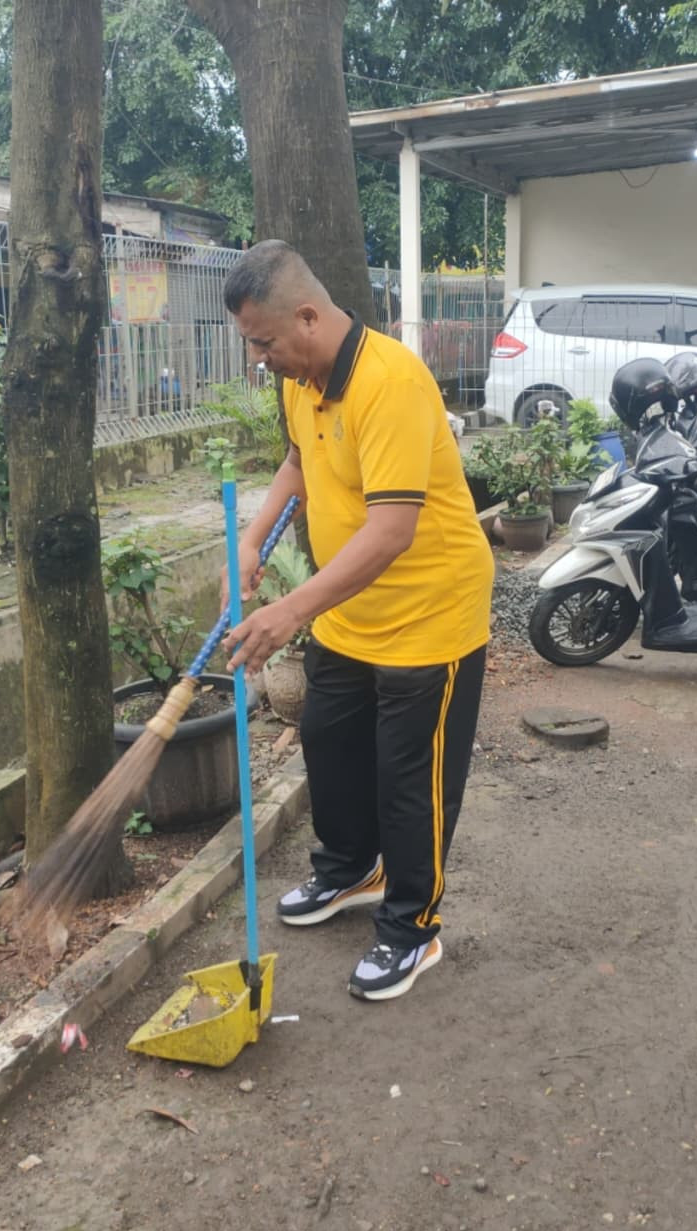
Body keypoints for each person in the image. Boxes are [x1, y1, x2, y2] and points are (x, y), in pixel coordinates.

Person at [218, 240, 494, 1001]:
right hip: (350, 615)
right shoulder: (302, 378)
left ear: (308, 315)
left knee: (412, 781)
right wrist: (251, 541)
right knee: (329, 743)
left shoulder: (391, 382)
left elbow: (391, 530)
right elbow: (299, 464)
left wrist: (289, 608)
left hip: (428, 616)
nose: (260, 358)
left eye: (264, 342)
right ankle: (351, 871)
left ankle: (412, 928)